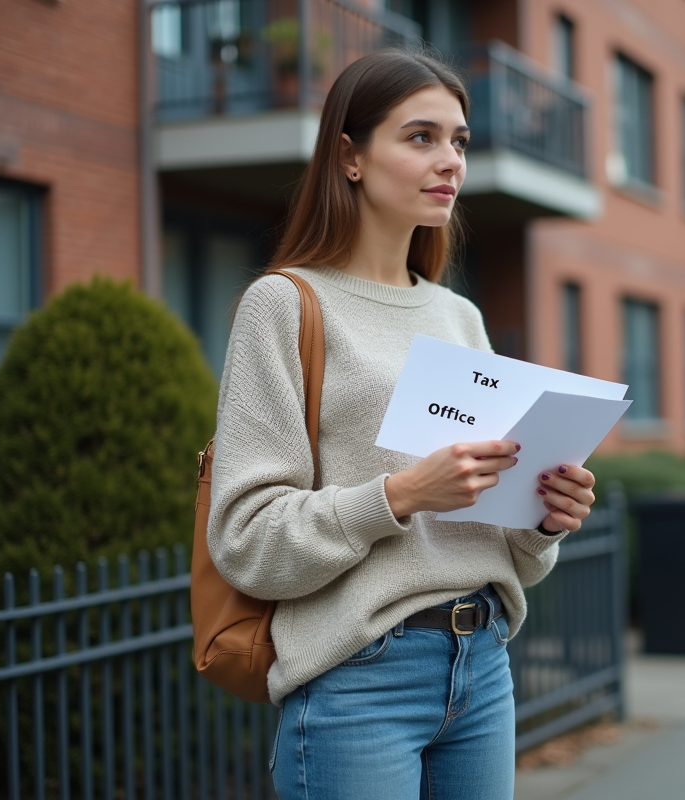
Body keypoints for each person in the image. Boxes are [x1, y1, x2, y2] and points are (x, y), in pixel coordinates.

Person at [207, 49, 598, 800]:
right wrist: (399, 495)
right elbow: (247, 541)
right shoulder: (285, 305)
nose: (448, 160)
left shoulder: (460, 317)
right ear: (350, 157)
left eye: (459, 141)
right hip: (358, 679)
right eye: (420, 137)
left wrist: (545, 520)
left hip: (482, 666)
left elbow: (508, 548)